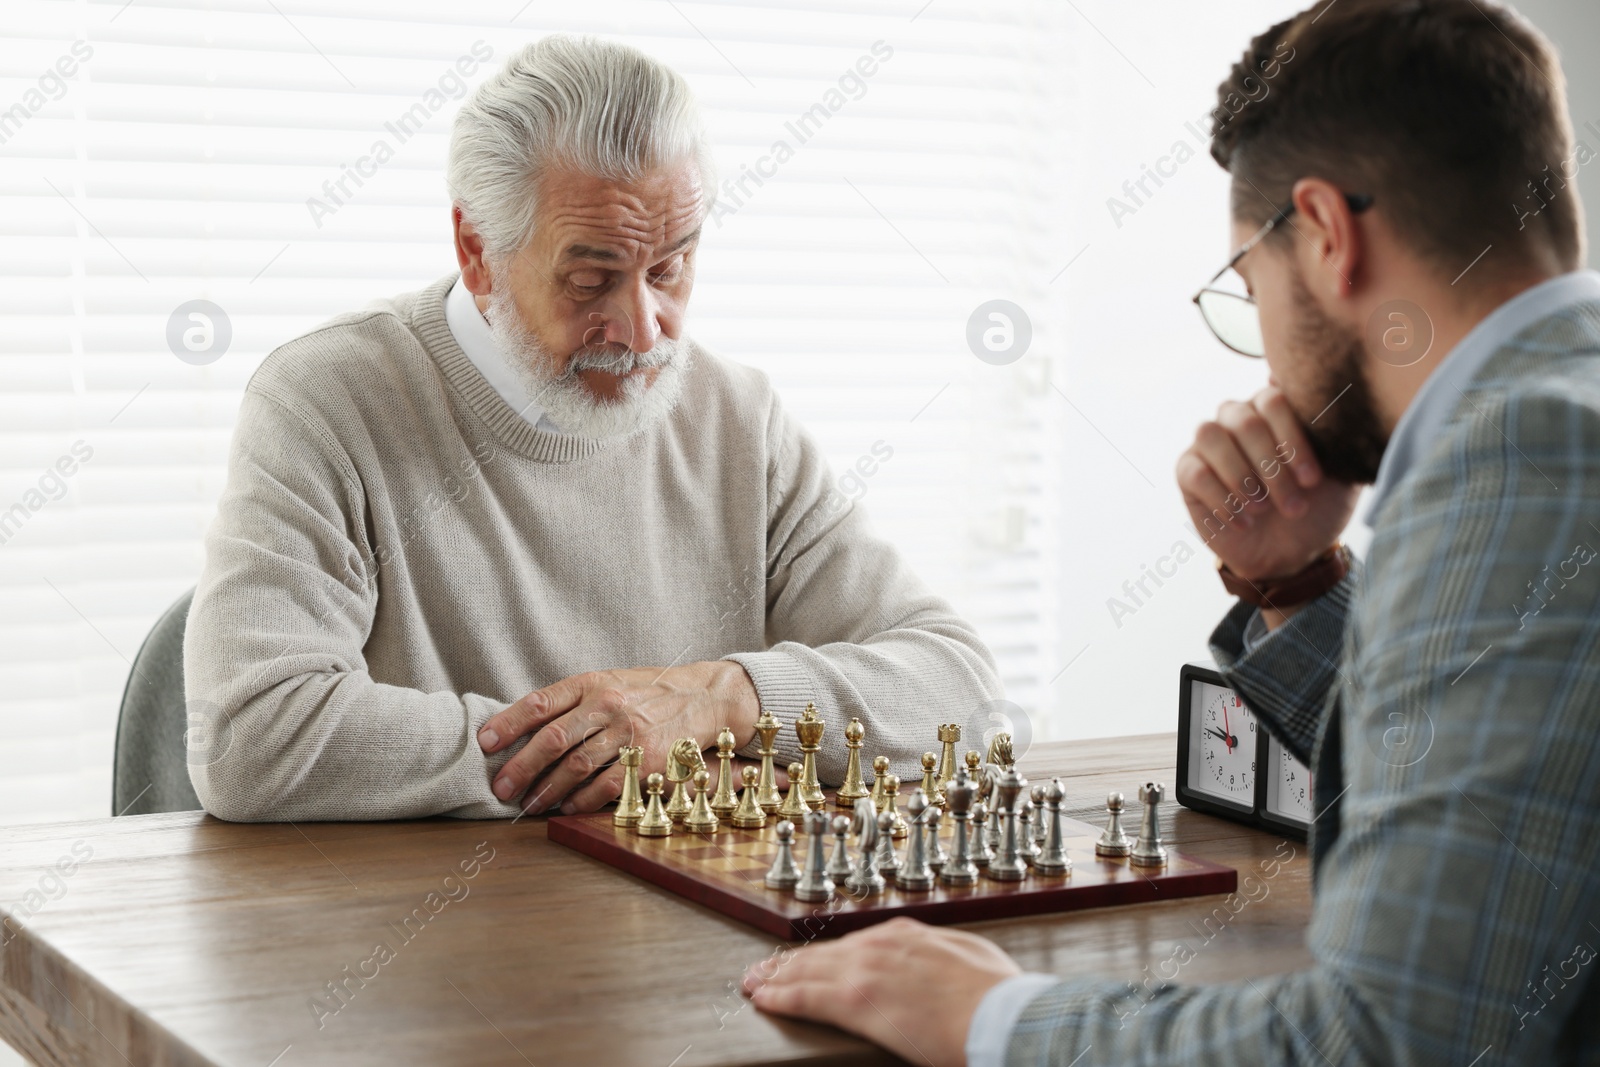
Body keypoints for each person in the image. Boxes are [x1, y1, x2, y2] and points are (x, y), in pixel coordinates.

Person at [743, 1, 1600, 1063]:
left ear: (1326, 234)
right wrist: (1293, 580)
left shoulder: (1519, 461)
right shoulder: (1561, 419)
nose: (1266, 365)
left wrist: (993, 1016)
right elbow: (1508, 810)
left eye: (1248, 287)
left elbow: (1387, 1042)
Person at [182, 36, 1000, 822]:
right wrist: (609, 753)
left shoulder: (739, 420)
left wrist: (723, 699)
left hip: (697, 938)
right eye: (590, 279)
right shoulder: (327, 400)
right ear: (477, 251)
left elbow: (959, 686)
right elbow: (253, 735)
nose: (644, 332)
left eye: (671, 267)